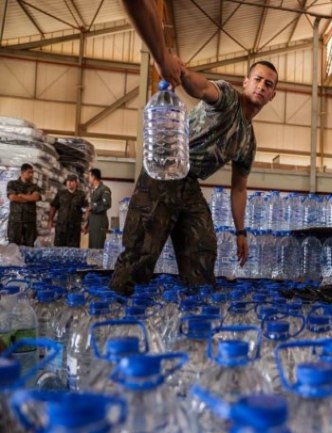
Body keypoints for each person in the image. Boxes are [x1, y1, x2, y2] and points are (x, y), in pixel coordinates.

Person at [109, 0, 277, 296]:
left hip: (189, 183)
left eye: (269, 84)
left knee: (202, 248)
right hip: (165, 171)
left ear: (272, 95)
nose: (262, 86)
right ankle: (119, 309)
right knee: (141, 251)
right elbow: (200, 88)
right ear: (246, 81)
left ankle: (195, 312)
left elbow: (239, 188)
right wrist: (180, 72)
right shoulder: (226, 96)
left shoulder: (248, 142)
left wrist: (241, 232)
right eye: (258, 79)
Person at [48, 174, 88, 247]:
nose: (69, 183)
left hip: (74, 228)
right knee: (58, 248)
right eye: (68, 181)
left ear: (76, 183)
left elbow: (85, 210)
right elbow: (53, 207)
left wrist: (85, 224)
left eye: (71, 181)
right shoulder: (61, 194)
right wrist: (50, 220)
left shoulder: (81, 195)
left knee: (73, 250)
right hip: (61, 227)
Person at [6, 163, 41, 247]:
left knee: (30, 247)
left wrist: (21, 196)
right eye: (29, 172)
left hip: (30, 222)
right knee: (13, 247)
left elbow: (35, 197)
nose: (31, 175)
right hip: (15, 221)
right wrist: (28, 198)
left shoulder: (34, 186)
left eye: (32, 172)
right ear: (22, 173)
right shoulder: (12, 184)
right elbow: (12, 197)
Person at [86, 168, 112, 249]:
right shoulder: (94, 190)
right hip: (93, 223)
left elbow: (106, 204)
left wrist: (93, 207)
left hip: (99, 223)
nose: (88, 178)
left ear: (94, 177)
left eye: (89, 176)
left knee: (98, 247)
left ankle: (97, 262)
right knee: (92, 247)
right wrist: (87, 223)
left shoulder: (104, 189)